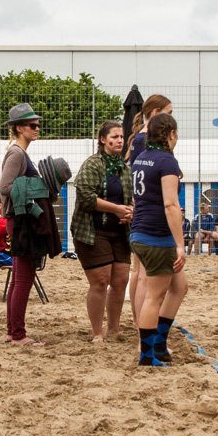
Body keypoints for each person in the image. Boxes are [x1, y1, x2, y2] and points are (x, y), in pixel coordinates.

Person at [129, 113, 188, 366]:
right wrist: (180, 244)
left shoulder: (141, 157)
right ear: (170, 134)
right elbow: (170, 205)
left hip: (140, 232)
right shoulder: (167, 161)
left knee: (179, 287)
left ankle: (160, 345)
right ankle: (147, 355)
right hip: (156, 235)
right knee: (155, 296)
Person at [72, 119, 134, 342]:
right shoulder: (92, 164)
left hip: (119, 233)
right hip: (92, 231)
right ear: (102, 140)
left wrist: (130, 212)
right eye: (115, 137)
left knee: (121, 280)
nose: (119, 140)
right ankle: (97, 332)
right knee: (100, 280)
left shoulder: (125, 169)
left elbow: (131, 199)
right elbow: (86, 198)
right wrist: (117, 209)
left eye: (121, 137)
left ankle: (114, 329)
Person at [0, 103, 51, 348]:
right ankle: (18, 335)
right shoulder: (17, 153)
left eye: (37, 124)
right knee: (23, 280)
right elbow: (5, 187)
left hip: (18, 220)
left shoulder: (19, 152)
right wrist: (38, 187)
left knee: (19, 279)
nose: (37, 128)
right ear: (18, 128)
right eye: (32, 125)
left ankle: (13, 332)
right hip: (20, 222)